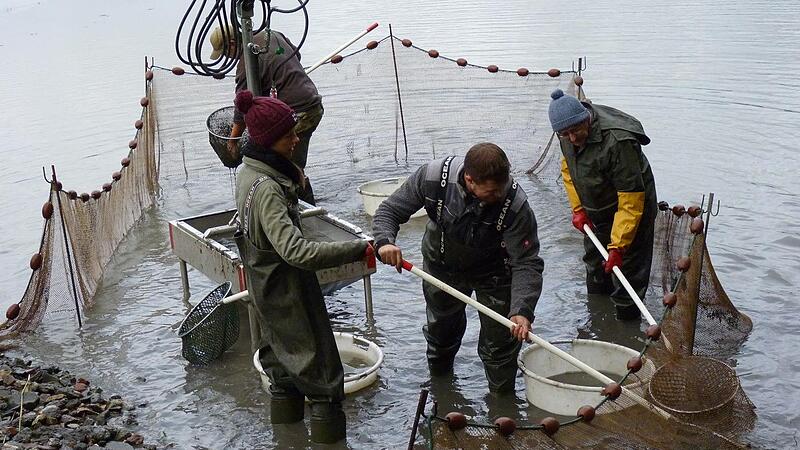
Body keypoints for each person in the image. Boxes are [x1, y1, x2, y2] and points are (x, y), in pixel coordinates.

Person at [232, 89, 372, 444]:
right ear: (268, 141)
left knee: (282, 372)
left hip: (266, 295)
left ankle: (287, 440)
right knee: (324, 380)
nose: (297, 138)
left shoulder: (249, 172)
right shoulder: (267, 189)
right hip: (289, 296)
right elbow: (296, 252)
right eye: (289, 135)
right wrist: (358, 250)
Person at [373, 143, 544, 393]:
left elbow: (527, 262)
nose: (500, 194)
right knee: (441, 334)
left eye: (503, 187)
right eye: (493, 191)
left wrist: (522, 309)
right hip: (442, 266)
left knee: (501, 345)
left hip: (495, 273)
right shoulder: (432, 177)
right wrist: (385, 243)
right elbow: (389, 211)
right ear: (469, 180)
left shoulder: (516, 205)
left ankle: (502, 406)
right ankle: (440, 393)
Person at [548, 88, 658, 321]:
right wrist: (578, 209)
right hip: (596, 206)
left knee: (627, 272)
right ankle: (597, 320)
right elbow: (569, 169)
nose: (573, 139)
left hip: (632, 207)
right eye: (565, 134)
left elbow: (631, 199)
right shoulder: (566, 136)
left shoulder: (618, 141)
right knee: (595, 264)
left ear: (585, 119)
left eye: (576, 130)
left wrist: (618, 246)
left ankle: (626, 326)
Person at [210, 25, 323, 204]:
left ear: (231, 44)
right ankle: (301, 206)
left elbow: (242, 107)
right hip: (313, 103)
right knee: (289, 165)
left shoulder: (246, 63)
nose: (227, 58)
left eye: (225, 54)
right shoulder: (272, 35)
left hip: (298, 113)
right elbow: (296, 55)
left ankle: (301, 212)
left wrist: (232, 141)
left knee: (285, 168)